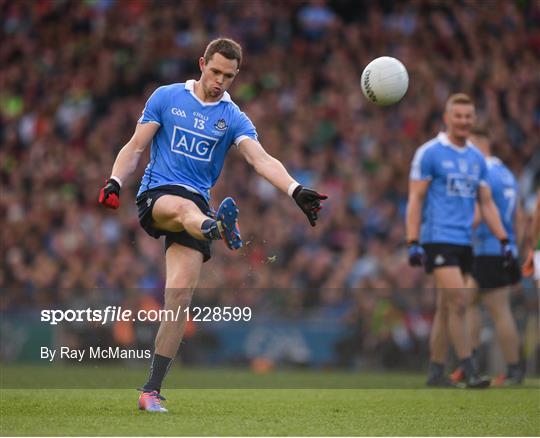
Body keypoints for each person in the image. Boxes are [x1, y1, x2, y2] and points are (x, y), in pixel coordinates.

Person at [98, 38, 327, 412]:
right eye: (216, 71)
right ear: (202, 63)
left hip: (200, 207)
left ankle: (150, 391)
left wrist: (295, 189)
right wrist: (115, 182)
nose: (221, 81)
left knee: (179, 298)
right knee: (188, 211)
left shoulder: (233, 116)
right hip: (159, 195)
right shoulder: (167, 97)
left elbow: (260, 158)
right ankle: (215, 229)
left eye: (229, 76)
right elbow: (135, 146)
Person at [406, 93, 515, 388]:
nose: (464, 121)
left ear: (474, 119)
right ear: (447, 118)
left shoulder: (477, 158)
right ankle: (470, 368)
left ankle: (436, 372)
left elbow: (487, 204)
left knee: (445, 307)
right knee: (459, 300)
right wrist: (413, 240)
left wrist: (504, 239)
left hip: (464, 242)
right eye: (459, 116)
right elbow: (415, 198)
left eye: (469, 116)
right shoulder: (430, 153)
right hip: (437, 238)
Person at [449, 127, 523, 386]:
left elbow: (478, 214)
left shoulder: (482, 173)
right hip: (505, 248)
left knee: (492, 309)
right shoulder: (507, 174)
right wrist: (516, 248)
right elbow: (519, 217)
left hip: (486, 249)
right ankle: (471, 364)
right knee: (468, 305)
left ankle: (506, 369)